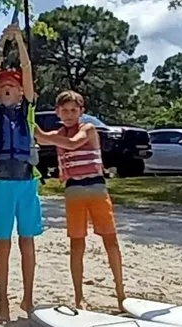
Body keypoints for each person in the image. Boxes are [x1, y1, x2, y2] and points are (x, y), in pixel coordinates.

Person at [0, 24, 42, 323]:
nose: (6, 87)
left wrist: (19, 40)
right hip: (3, 183)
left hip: (27, 182)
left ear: (21, 91)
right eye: (3, 85)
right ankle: (3, 303)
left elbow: (29, 72)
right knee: (2, 243)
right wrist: (0, 45)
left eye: (12, 85)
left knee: (27, 241)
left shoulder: (27, 110)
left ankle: (28, 299)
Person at [51, 88, 126, 311]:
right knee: (77, 243)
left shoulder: (88, 128)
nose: (70, 114)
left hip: (96, 187)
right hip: (73, 190)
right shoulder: (59, 134)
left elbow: (74, 143)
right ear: (58, 112)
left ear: (81, 111)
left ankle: (121, 293)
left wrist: (38, 132)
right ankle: (78, 297)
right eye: (65, 111)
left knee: (110, 240)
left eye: (74, 110)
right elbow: (47, 140)